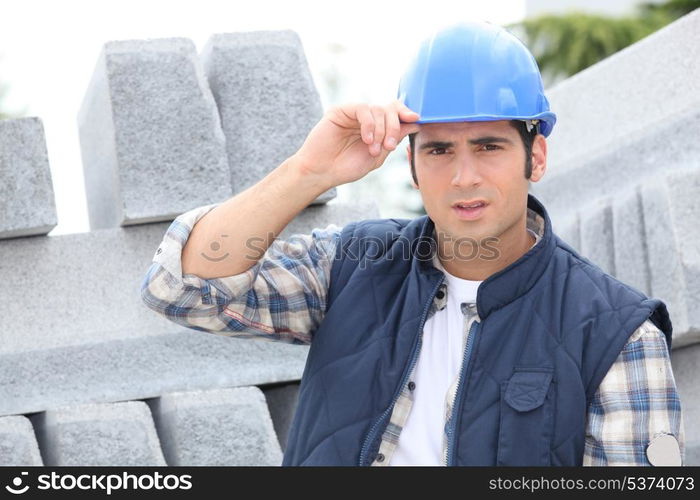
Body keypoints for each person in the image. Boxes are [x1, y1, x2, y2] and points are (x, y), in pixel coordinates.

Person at [141, 21, 685, 466]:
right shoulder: (350, 267)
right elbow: (182, 289)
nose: (464, 176)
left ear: (535, 157)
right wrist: (308, 171)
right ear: (412, 164)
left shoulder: (616, 333)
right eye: (440, 151)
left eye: (489, 146)